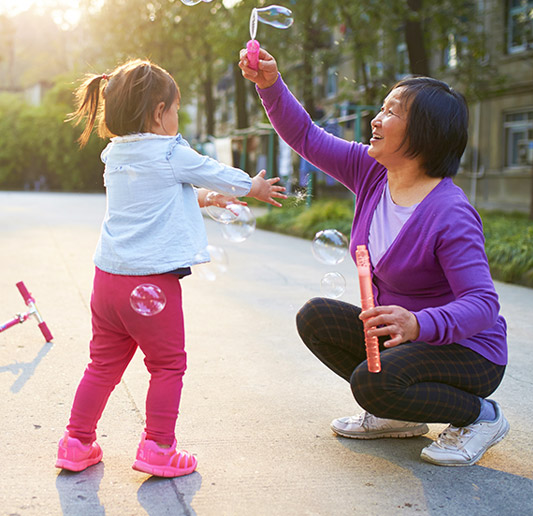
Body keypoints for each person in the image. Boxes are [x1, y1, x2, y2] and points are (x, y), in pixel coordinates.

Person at [239, 47, 509, 467]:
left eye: (391, 112)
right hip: (407, 337)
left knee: (371, 383)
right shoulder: (370, 171)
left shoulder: (450, 213)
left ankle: (482, 417)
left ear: (424, 132)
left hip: (470, 351)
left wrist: (419, 322)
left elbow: (483, 304)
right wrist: (270, 85)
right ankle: (398, 414)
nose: (375, 120)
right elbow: (307, 136)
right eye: (381, 109)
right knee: (316, 317)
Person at [55, 59, 286, 477]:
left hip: (107, 280)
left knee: (102, 365)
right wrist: (253, 186)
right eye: (176, 109)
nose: (177, 118)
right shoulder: (169, 150)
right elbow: (211, 171)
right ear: (159, 112)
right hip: (151, 284)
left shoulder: (116, 154)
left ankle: (75, 443)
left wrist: (204, 199)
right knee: (166, 365)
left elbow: (156, 197)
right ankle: (158, 448)